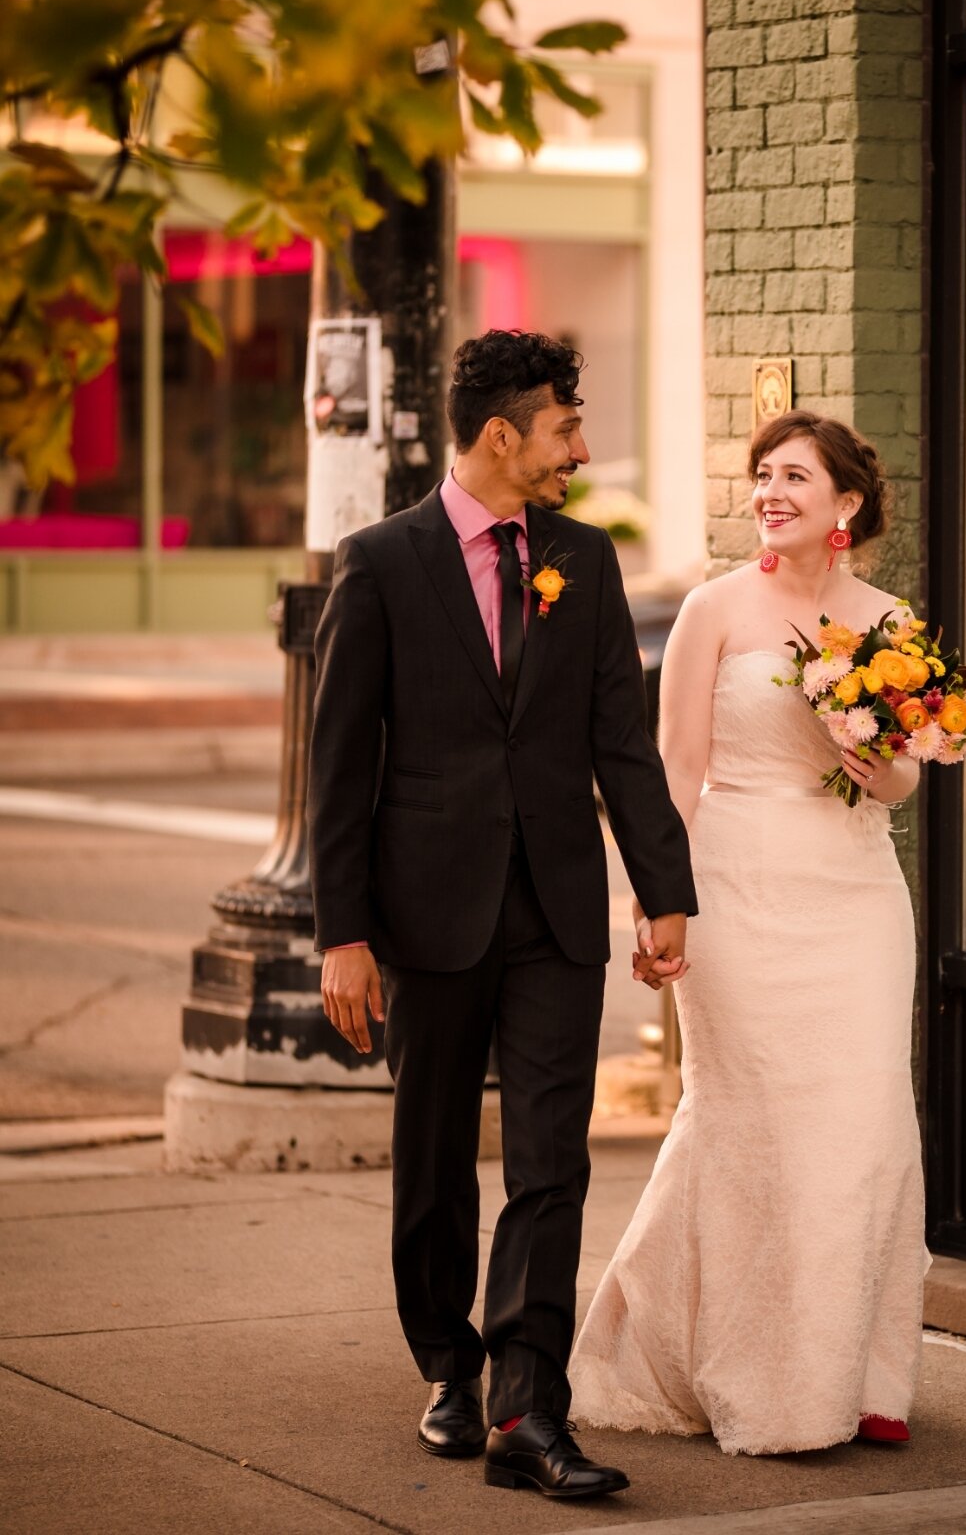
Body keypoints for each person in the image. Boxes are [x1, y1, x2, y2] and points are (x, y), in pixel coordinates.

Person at [309, 330, 697, 1502]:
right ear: (500, 434)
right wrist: (343, 933)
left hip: (557, 913)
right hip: (423, 912)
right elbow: (336, 766)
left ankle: (530, 1407)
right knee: (434, 1161)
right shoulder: (380, 563)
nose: (579, 451)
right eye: (564, 429)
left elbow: (619, 741)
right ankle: (448, 1361)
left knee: (549, 1162)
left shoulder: (581, 556)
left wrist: (664, 888)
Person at [569, 409, 927, 1455]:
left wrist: (884, 766)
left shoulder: (890, 621)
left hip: (857, 896)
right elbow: (671, 771)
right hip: (736, 888)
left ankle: (863, 1373)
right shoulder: (714, 610)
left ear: (845, 506)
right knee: (753, 1128)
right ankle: (761, 1380)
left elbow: (905, 778)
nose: (771, 492)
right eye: (762, 475)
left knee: (863, 1130)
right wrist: (656, 901)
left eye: (795, 478)